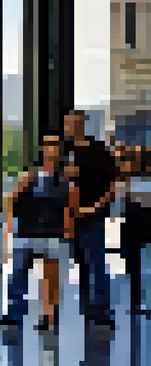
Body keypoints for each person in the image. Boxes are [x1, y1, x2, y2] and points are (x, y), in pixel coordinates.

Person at [0, 135, 71, 332]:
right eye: (47, 145)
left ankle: (48, 316)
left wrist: (66, 228)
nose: (51, 149)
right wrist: (10, 225)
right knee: (18, 275)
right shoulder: (30, 176)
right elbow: (11, 199)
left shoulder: (64, 178)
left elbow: (68, 206)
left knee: (50, 277)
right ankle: (14, 314)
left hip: (52, 232)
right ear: (42, 149)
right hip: (27, 231)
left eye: (55, 145)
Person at [63, 110, 116, 328]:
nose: (71, 126)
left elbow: (113, 183)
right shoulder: (64, 150)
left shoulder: (98, 150)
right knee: (82, 262)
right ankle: (88, 307)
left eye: (75, 122)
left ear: (83, 123)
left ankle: (102, 310)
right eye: (68, 122)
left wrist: (96, 207)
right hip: (71, 216)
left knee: (96, 262)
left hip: (92, 216)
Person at [121, 146, 151, 316]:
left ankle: (138, 301)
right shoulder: (128, 180)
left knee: (139, 266)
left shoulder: (132, 181)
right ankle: (136, 301)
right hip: (133, 226)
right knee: (134, 266)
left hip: (139, 225)